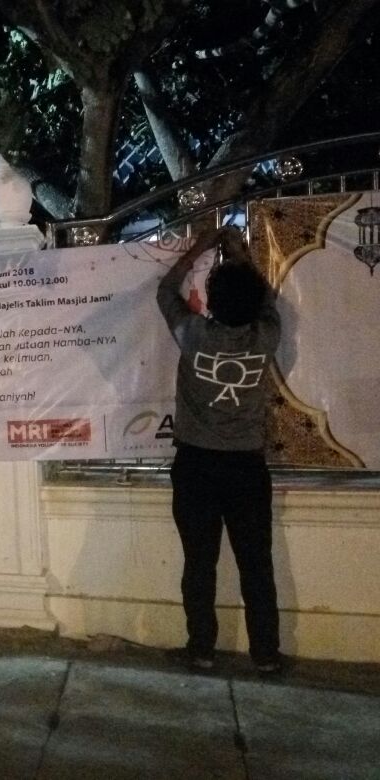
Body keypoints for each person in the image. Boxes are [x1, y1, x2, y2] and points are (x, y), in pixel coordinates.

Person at [156, 225, 283, 676]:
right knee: (256, 565)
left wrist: (201, 246)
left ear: (210, 301)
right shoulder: (266, 336)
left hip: (196, 465)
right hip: (247, 467)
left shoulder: (193, 334)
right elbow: (266, 299)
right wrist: (240, 253)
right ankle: (266, 655)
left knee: (199, 562)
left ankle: (201, 650)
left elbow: (166, 289)